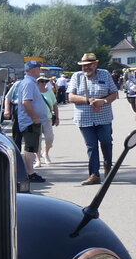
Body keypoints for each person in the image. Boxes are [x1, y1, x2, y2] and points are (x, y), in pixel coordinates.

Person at [69, 53, 119, 185]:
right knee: (91, 146)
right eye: (83, 66)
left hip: (103, 117)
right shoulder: (77, 76)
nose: (85, 68)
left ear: (95, 64)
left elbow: (114, 94)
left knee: (106, 142)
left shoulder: (105, 74)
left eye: (88, 65)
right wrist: (88, 100)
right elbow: (71, 97)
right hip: (84, 119)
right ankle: (94, 174)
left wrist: (104, 101)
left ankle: (108, 166)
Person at [5, 61, 48, 182]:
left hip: (30, 120)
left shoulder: (30, 82)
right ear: (33, 70)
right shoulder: (29, 83)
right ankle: (30, 173)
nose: (40, 71)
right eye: (38, 68)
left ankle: (29, 172)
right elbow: (26, 102)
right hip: (30, 121)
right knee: (29, 148)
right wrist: (34, 117)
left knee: (31, 147)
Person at [37, 74, 59, 165]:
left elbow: (55, 105)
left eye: (45, 81)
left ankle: (46, 153)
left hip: (47, 118)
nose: (43, 83)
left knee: (49, 138)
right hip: (36, 119)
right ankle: (38, 159)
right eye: (41, 81)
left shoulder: (50, 92)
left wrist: (57, 118)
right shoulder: (34, 92)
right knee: (36, 140)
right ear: (37, 82)